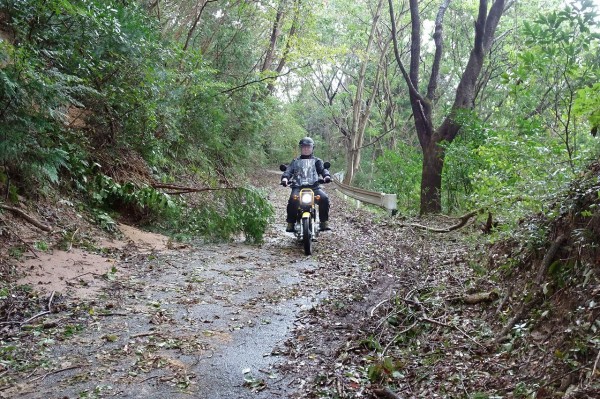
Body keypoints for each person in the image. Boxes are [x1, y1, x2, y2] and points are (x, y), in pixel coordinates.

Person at [281, 137, 331, 232]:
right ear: (301, 148)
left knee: (324, 199)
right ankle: (290, 223)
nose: (306, 149)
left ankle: (324, 222)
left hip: (314, 187)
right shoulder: (295, 161)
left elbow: (322, 170)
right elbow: (289, 171)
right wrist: (285, 178)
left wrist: (326, 176)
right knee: (292, 200)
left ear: (312, 148)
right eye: (304, 147)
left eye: (308, 147)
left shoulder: (317, 161)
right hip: (298, 187)